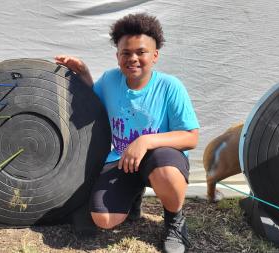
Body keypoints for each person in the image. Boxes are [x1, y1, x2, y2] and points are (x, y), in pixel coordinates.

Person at [55, 13, 199, 253]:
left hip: (160, 159)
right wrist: (83, 72)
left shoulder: (170, 87)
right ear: (118, 56)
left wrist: (145, 141)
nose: (133, 58)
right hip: (122, 160)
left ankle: (174, 222)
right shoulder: (111, 79)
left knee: (166, 172)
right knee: (104, 219)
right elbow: (96, 106)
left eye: (141, 52)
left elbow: (191, 137)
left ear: (154, 55)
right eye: (126, 53)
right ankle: (134, 195)